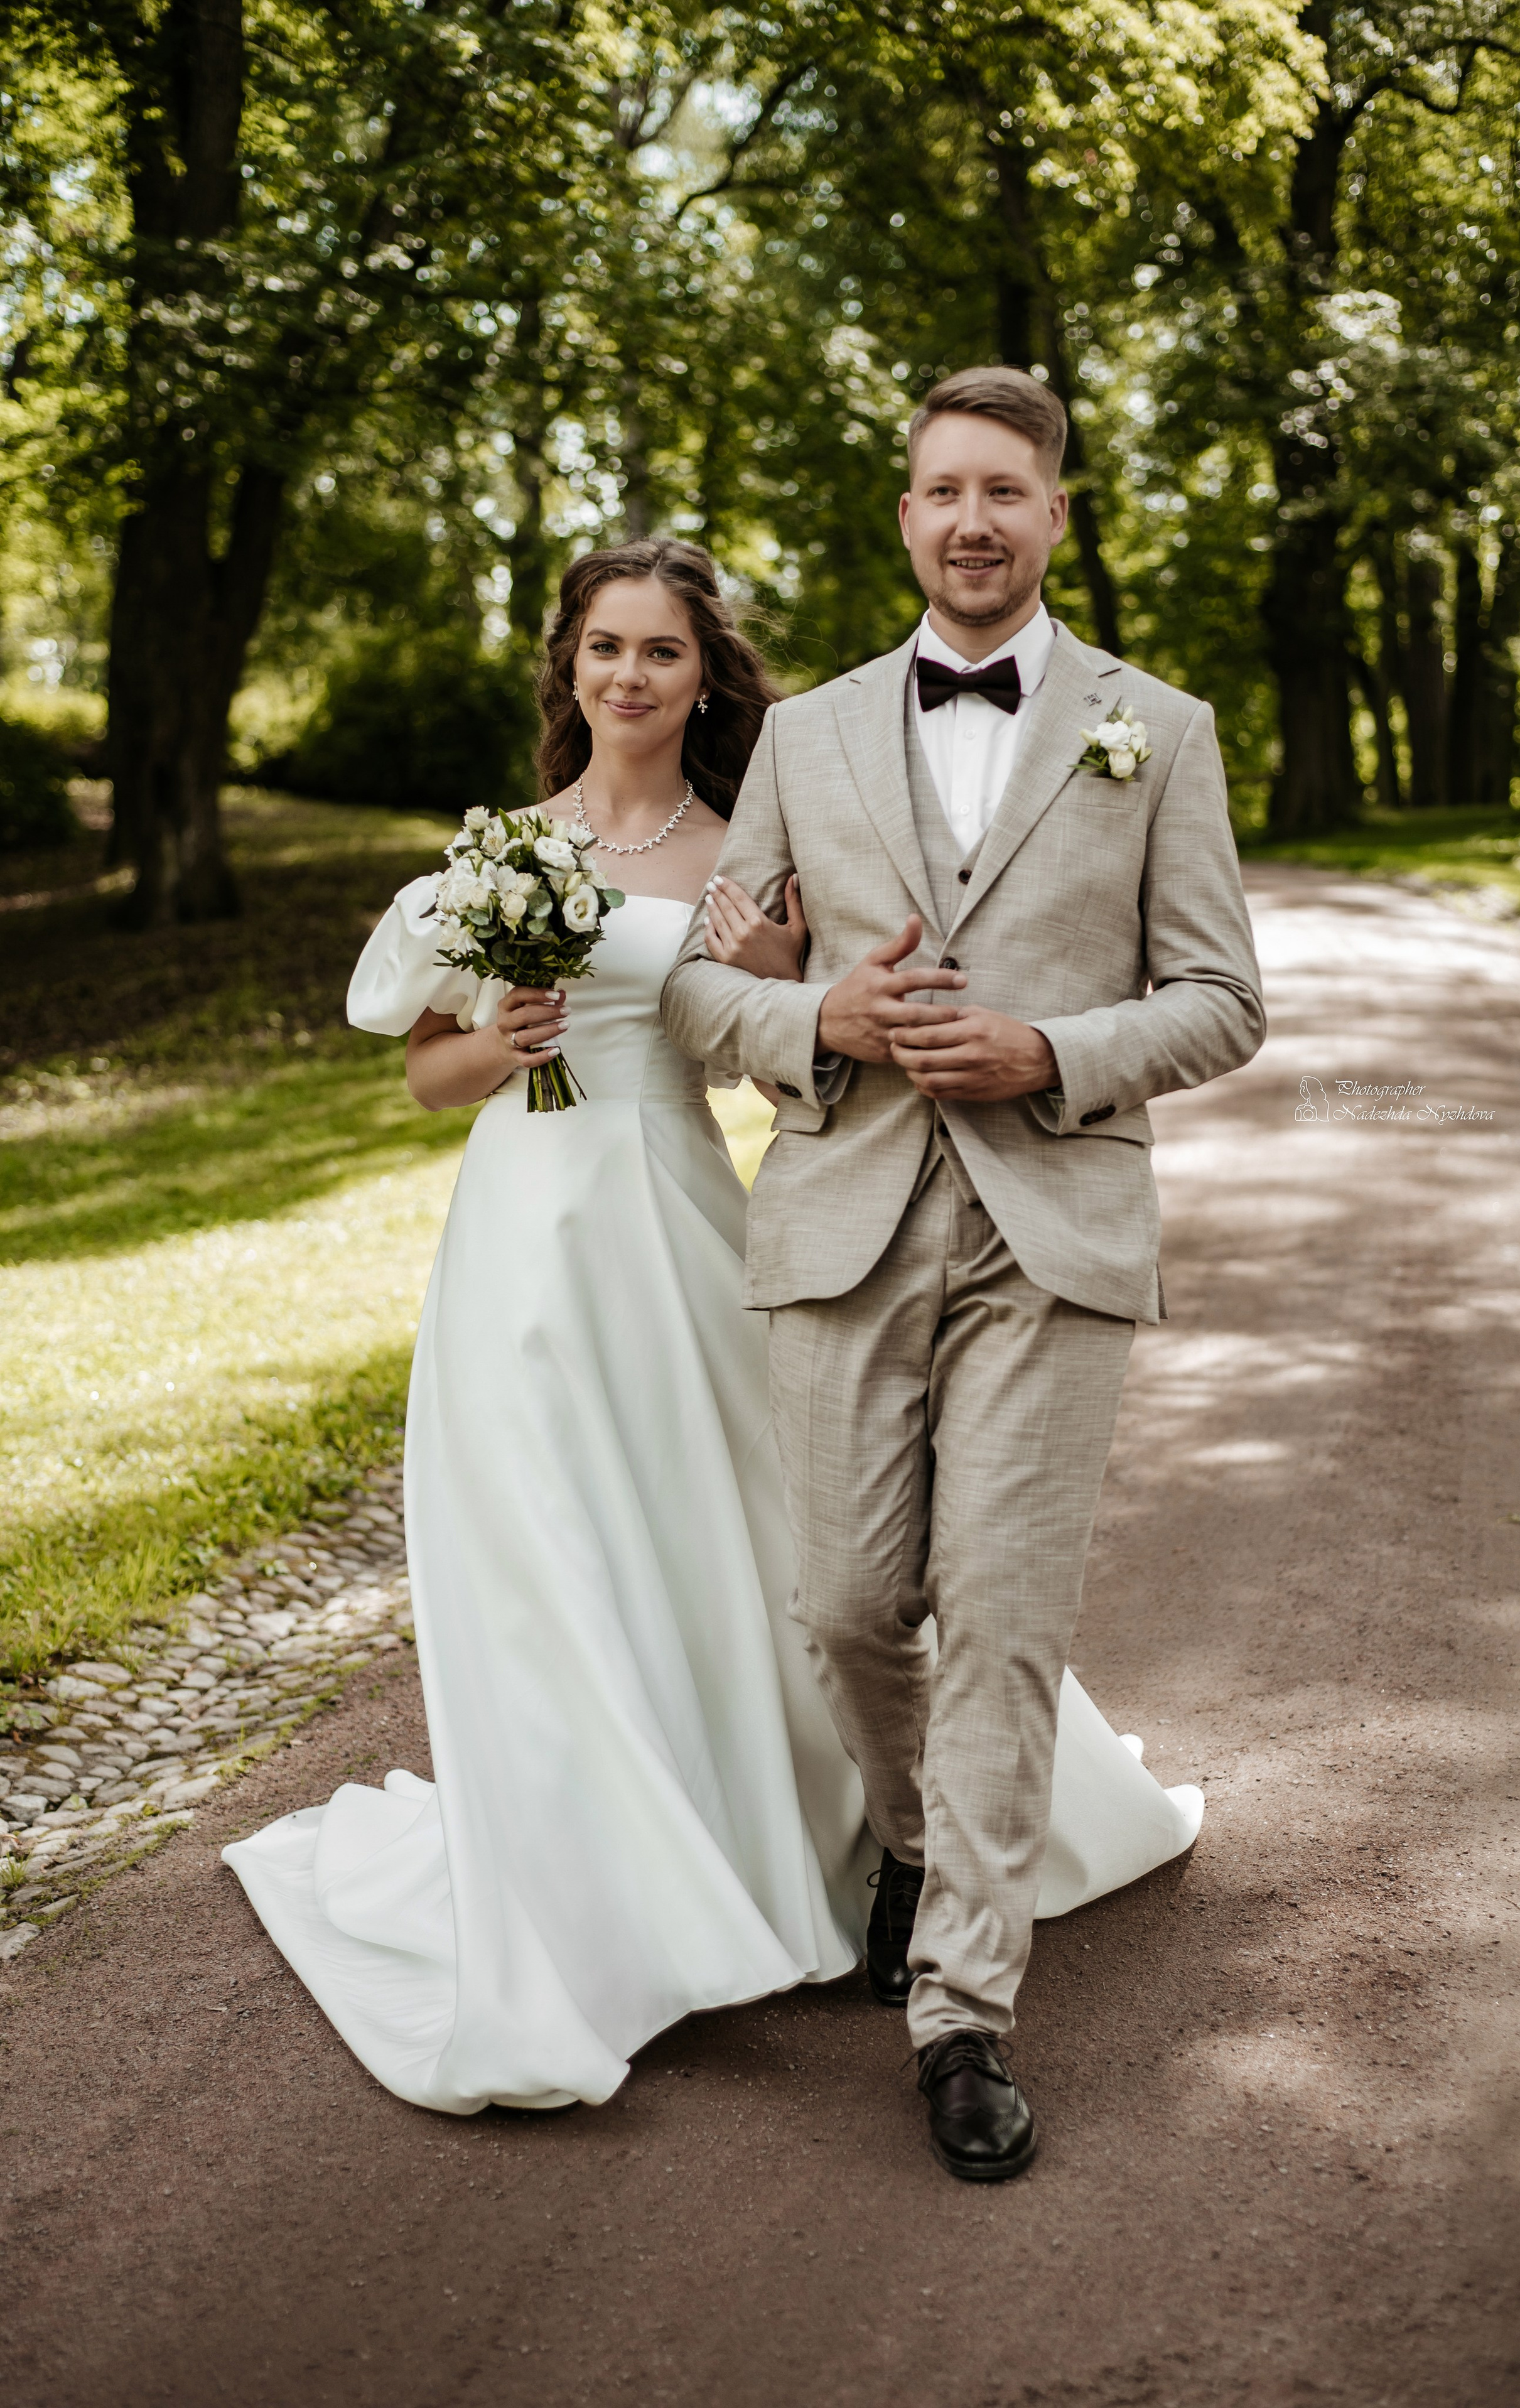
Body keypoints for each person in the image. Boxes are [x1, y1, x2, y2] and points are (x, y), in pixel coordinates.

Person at [223, 534, 1206, 2119]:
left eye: (660, 653)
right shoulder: (497, 852)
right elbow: (425, 1074)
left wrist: (775, 972)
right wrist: (503, 1036)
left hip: (677, 1212)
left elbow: (790, 1072)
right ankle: (595, 1889)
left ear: (702, 676)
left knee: (746, 1542)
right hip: (519, 1241)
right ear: (569, 666)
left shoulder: (742, 847)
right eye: (602, 648)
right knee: (540, 1552)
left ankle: (824, 1835)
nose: (628, 676)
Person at [662, 372, 1264, 2180]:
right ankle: (914, 1834)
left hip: (1055, 1230)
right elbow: (702, 986)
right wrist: (818, 1014)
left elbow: (1226, 998)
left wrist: (1053, 1053)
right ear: (905, 516)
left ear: (1059, 513)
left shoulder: (1158, 727)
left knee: (1000, 1611)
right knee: (849, 1601)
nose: (975, 520)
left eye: (1009, 489)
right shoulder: (807, 734)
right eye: (944, 491)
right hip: (841, 1207)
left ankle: (962, 2012)